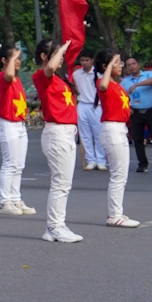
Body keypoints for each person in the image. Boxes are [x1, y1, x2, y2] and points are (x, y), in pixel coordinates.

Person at [32, 41, 85, 244]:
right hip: (57, 132)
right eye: (56, 53)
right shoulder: (42, 76)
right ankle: (55, 226)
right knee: (61, 183)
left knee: (64, 183)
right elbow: (51, 67)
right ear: (45, 57)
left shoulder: (59, 79)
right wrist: (63, 48)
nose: (61, 57)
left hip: (67, 132)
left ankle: (54, 227)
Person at [93, 51, 136, 227]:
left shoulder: (117, 85)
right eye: (117, 63)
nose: (121, 66)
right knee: (118, 175)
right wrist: (110, 66)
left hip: (120, 129)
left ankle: (117, 212)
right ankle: (114, 215)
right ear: (106, 66)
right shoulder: (103, 82)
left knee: (122, 174)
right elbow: (102, 86)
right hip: (112, 129)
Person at [0, 47, 35, 215]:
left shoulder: (16, 80)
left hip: (19, 124)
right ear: (4, 61)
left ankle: (16, 199)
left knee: (19, 165)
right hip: (7, 124)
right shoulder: (2, 77)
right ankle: (5, 202)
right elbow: (8, 75)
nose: (18, 61)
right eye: (14, 58)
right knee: (10, 164)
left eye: (19, 58)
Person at [73, 52, 109, 173]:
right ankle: (90, 160)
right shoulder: (76, 74)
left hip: (96, 105)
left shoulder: (98, 74)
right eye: (82, 60)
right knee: (85, 135)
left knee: (99, 134)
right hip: (82, 104)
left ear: (92, 60)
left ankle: (101, 160)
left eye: (87, 60)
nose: (84, 63)